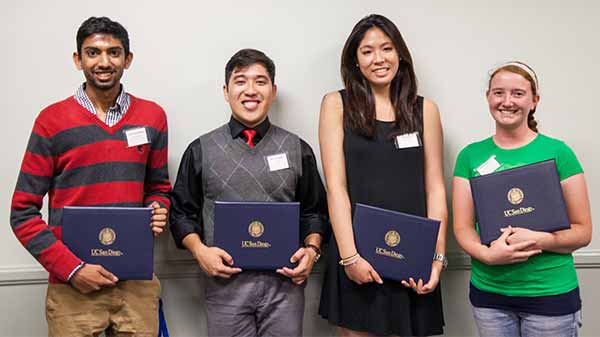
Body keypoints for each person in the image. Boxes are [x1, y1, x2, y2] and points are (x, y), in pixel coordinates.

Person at [9, 17, 171, 337]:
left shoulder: (153, 117)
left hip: (136, 285)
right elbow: (21, 213)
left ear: (128, 59)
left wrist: (157, 207)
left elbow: (159, 187)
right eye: (93, 52)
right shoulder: (51, 121)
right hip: (73, 290)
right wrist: (72, 269)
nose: (104, 62)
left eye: (114, 52)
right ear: (78, 59)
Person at [169, 48, 329, 337]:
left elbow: (315, 212)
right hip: (225, 288)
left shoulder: (298, 148)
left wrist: (312, 250)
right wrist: (200, 251)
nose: (250, 90)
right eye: (240, 81)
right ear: (226, 91)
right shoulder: (200, 149)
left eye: (260, 81)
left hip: (285, 287)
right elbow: (181, 213)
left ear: (273, 90)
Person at [318, 14, 447, 337]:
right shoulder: (336, 105)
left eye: (387, 48)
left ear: (400, 55)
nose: (379, 58)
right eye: (367, 51)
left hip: (413, 260)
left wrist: (437, 258)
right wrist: (350, 258)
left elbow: (435, 189)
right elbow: (336, 188)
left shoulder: (425, 110)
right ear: (355, 61)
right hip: (358, 257)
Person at [452, 61, 591, 337]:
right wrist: (489, 256)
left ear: (534, 100)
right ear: (488, 98)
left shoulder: (559, 153)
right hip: (490, 295)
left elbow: (583, 231)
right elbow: (463, 227)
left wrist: (539, 240)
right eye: (498, 93)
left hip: (549, 294)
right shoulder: (470, 156)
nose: (507, 101)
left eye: (518, 93)